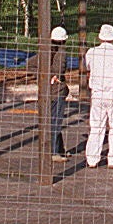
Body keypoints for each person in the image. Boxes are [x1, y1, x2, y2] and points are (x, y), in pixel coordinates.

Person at [83, 24, 113, 168]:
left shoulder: (91, 52)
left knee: (96, 127)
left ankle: (92, 159)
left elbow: (87, 67)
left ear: (100, 37)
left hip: (98, 94)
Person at [48, 26, 70, 161]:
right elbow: (60, 70)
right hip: (57, 91)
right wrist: (55, 76)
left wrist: (44, 77)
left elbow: (30, 64)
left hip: (48, 90)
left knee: (54, 119)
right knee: (56, 120)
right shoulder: (61, 53)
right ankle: (54, 152)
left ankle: (60, 150)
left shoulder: (46, 50)